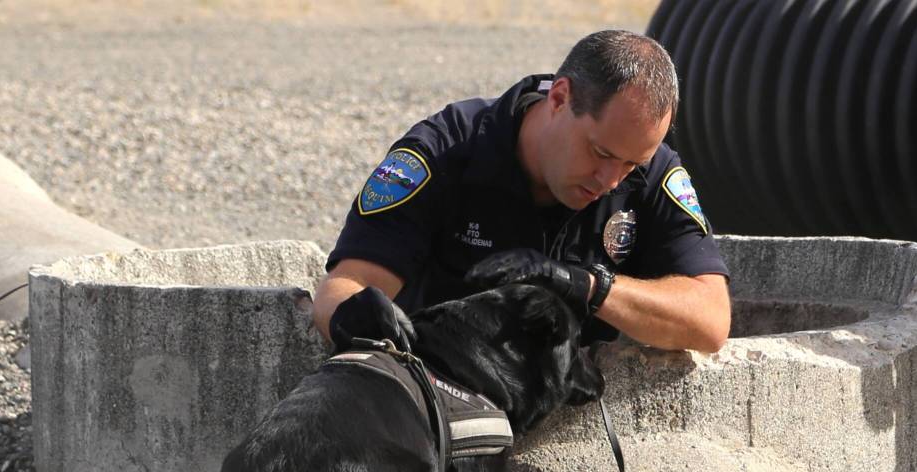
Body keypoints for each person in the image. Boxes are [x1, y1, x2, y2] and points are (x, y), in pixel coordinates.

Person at [313, 29, 731, 354]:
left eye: (630, 164)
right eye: (600, 152)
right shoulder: (446, 151)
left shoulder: (652, 171)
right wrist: (375, 331)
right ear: (560, 98)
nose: (611, 180)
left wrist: (589, 287)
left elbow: (711, 320)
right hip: (445, 410)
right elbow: (344, 288)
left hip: (581, 423)